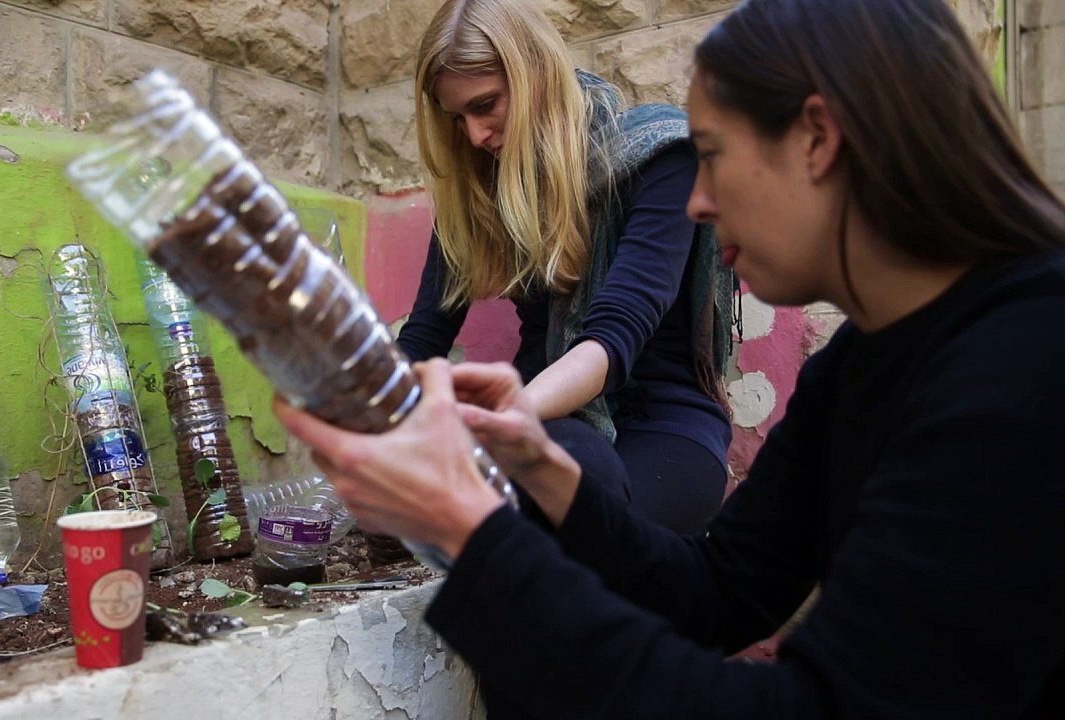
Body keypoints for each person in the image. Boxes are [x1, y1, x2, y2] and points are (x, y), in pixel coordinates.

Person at [277, 0, 1065, 716]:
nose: (696, 202)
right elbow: (716, 593)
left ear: (818, 139)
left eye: (712, 155)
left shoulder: (1024, 364)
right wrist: (542, 471)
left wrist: (475, 536)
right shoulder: (864, 362)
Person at [393, 0, 735, 535]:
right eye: (457, 118)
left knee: (581, 499)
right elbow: (422, 339)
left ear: (536, 73)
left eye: (486, 105)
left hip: (661, 423)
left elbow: (613, 337)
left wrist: (497, 421)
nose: (475, 134)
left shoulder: (661, 158)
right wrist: (368, 418)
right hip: (552, 431)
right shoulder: (479, 193)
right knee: (565, 469)